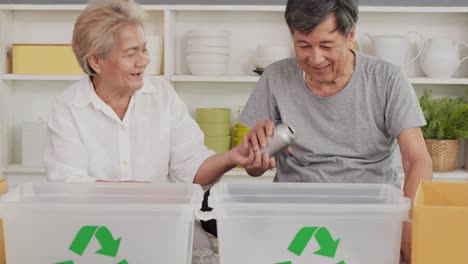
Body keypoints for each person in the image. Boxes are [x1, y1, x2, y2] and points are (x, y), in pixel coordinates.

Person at [43, 0, 254, 252]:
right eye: (131, 53)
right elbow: (69, 187)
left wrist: (232, 157)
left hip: (159, 225)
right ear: (96, 61)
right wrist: (146, 195)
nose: (143, 61)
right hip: (93, 233)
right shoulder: (68, 107)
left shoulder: (162, 95)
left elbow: (191, 168)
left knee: (203, 251)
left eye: (144, 50)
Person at [238, 0, 433, 263]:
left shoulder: (387, 78)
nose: (315, 58)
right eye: (303, 45)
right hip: (295, 218)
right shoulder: (275, 76)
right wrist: (256, 156)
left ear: (350, 35)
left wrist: (408, 224)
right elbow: (253, 169)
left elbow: (417, 159)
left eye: (327, 45)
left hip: (370, 216)